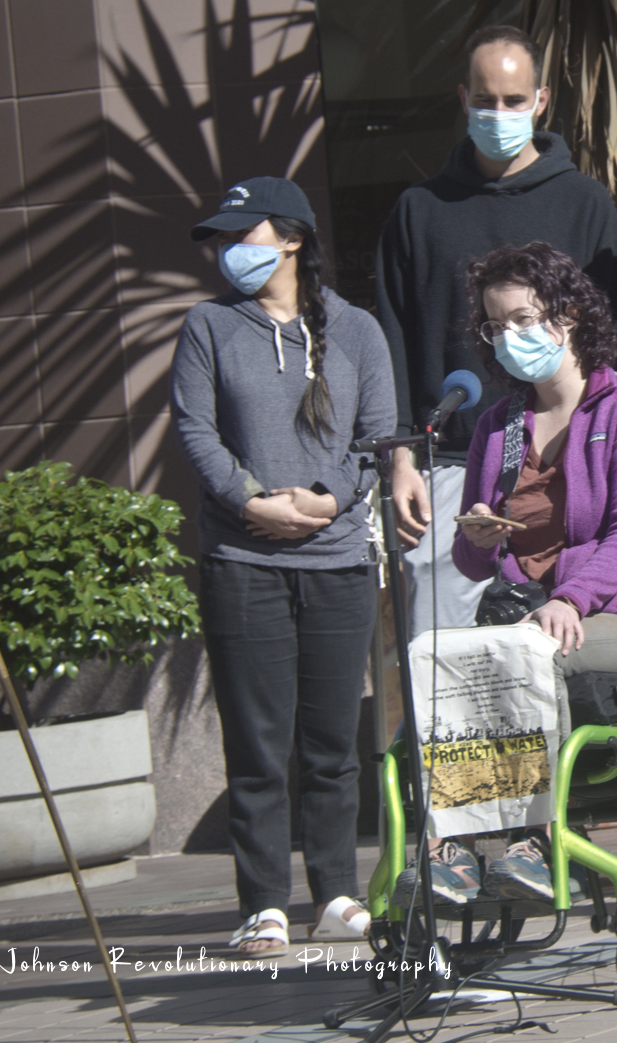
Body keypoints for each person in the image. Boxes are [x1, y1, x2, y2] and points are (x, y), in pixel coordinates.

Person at [171, 177, 397, 956]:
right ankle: (263, 902)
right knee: (257, 743)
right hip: (243, 560)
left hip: (335, 561)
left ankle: (334, 892)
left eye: (246, 233)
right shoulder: (208, 325)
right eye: (223, 238)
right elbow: (195, 432)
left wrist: (332, 500)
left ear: (293, 238)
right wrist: (249, 500)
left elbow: (376, 437)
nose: (230, 250)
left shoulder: (359, 330)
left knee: (331, 745)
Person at [376, 25, 617, 638]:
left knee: (555, 654)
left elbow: (611, 338)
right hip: (450, 464)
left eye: (514, 101)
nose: (499, 113)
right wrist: (401, 457)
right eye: (486, 100)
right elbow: (394, 340)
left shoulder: (584, 203)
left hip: (566, 459)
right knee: (442, 665)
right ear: (463, 99)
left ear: (541, 101)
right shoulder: (419, 210)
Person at [444, 241, 617, 903]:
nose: (508, 337)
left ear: (566, 316)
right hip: (522, 616)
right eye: (494, 325)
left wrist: (571, 597)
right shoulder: (499, 427)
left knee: (522, 657)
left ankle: (531, 842)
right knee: (443, 665)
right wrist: (481, 539)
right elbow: (469, 557)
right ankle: (450, 850)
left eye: (521, 319)